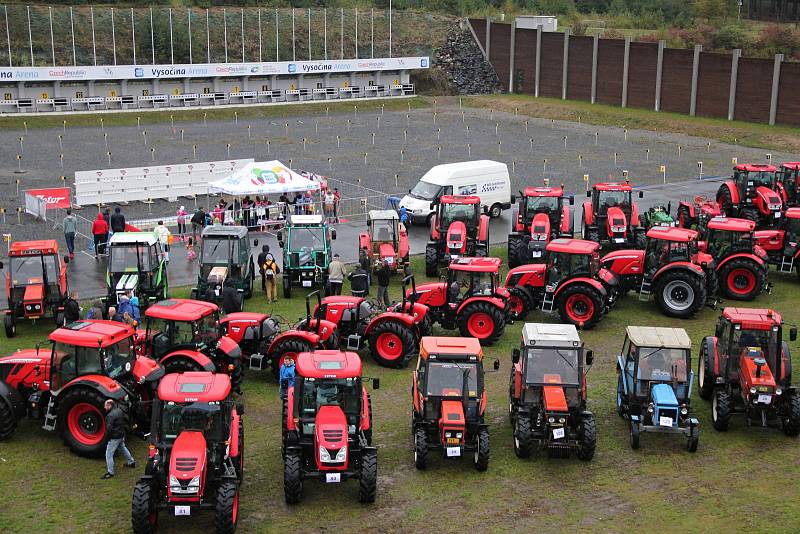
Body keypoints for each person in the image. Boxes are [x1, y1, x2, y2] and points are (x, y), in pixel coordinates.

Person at [102, 399, 135, 479]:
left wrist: (107, 438)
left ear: (109, 405)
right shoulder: (119, 411)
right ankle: (131, 462)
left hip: (114, 437)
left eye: (105, 406)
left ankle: (110, 472)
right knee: (123, 448)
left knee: (109, 454)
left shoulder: (110, 415)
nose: (104, 407)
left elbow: (109, 429)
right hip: (121, 435)